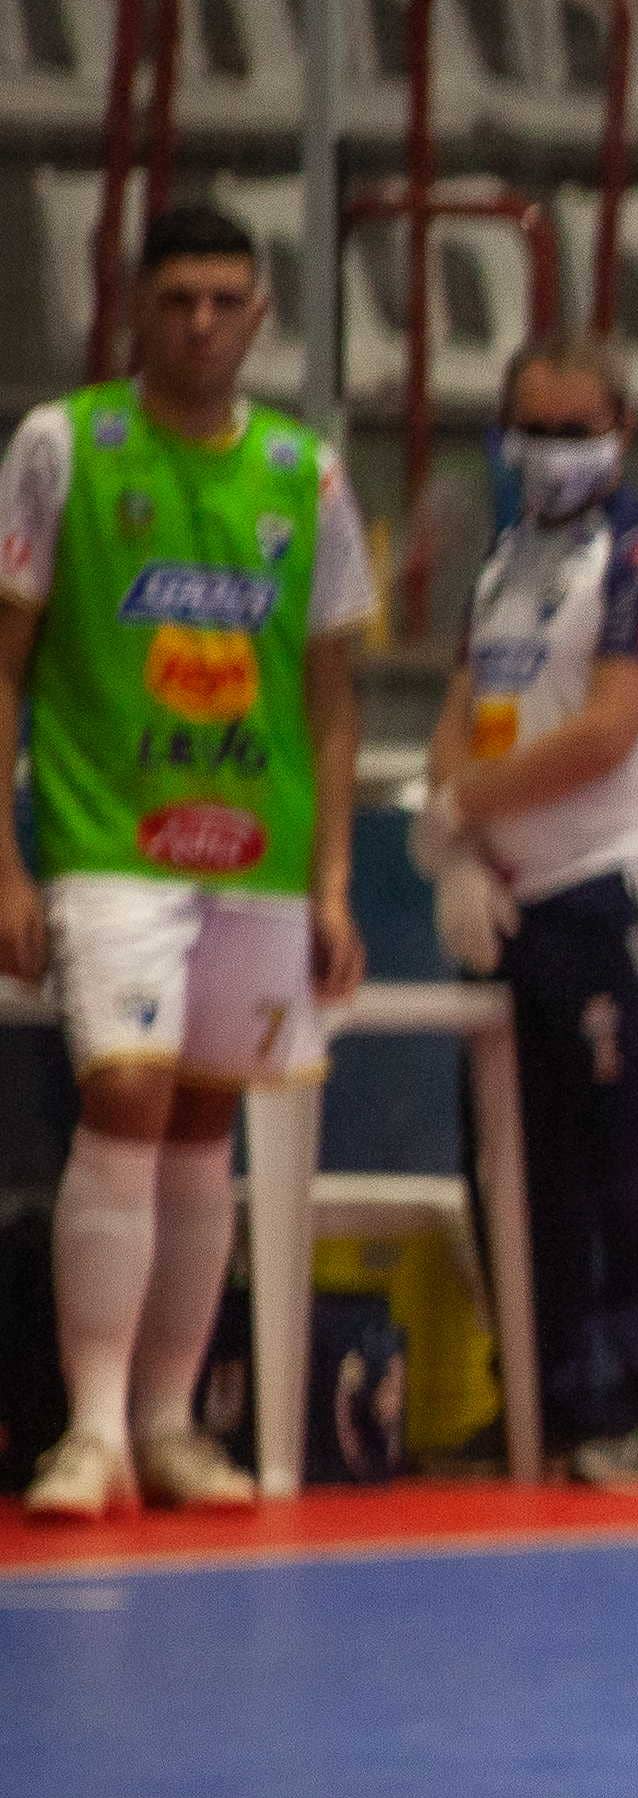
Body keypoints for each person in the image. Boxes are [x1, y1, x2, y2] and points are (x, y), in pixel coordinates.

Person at [0, 202, 371, 1519]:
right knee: (129, 1100)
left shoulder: (305, 471)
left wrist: (332, 882)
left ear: (261, 313)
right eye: (178, 300)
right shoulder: (65, 446)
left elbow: (334, 696)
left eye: (226, 298)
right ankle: (88, 1429)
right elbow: (7, 663)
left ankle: (167, 1419)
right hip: (110, 839)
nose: (203, 322)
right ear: (133, 305)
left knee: (206, 1123)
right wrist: (7, 859)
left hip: (259, 854)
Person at [410, 337, 638, 1490]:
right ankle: (539, 1389)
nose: (554, 453)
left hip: (605, 880)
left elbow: (607, 731)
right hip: (504, 896)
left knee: (622, 1157)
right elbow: (463, 699)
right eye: (534, 429)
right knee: (508, 1159)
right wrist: (457, 841)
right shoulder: (500, 560)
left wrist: (456, 804)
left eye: (579, 430)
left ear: (622, 429)